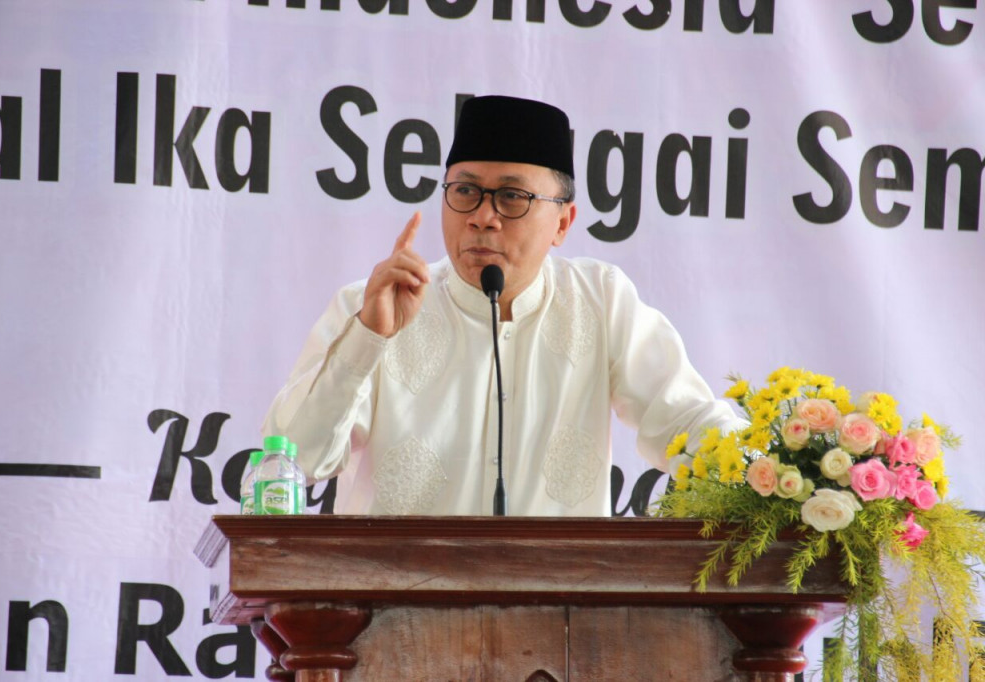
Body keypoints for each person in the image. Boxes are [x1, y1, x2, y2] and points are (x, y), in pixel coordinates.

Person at [262, 95, 743, 516]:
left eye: (512, 197)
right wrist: (368, 338)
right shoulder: (372, 306)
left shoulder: (599, 300)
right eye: (466, 192)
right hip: (390, 613)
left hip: (560, 615)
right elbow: (295, 460)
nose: (482, 218)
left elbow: (686, 422)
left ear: (562, 222)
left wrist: (780, 476)